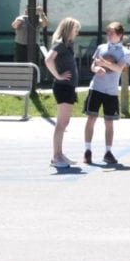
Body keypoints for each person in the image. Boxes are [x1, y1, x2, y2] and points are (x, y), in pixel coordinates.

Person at [83, 21, 130, 168]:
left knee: (108, 122)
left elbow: (118, 68)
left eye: (112, 32)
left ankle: (108, 152)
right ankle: (87, 150)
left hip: (111, 91)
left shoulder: (125, 52)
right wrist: (96, 69)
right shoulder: (101, 47)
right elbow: (93, 65)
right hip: (96, 87)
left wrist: (104, 63)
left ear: (120, 34)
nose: (109, 35)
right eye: (108, 32)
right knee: (91, 117)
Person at [45, 17, 81, 169]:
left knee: (64, 122)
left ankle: (60, 154)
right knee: (61, 123)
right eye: (75, 30)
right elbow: (48, 60)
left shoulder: (68, 44)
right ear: (68, 29)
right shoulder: (59, 43)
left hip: (69, 87)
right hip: (63, 87)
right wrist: (58, 76)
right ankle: (56, 156)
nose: (77, 33)